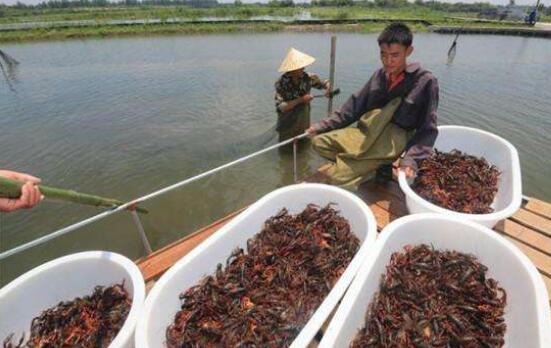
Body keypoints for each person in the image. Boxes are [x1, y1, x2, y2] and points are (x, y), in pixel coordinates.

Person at [307, 23, 439, 190]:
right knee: (318, 142)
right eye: (383, 55)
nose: (388, 61)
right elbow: (353, 107)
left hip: (391, 141)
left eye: (395, 55)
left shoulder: (425, 81)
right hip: (367, 132)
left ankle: (369, 166)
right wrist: (320, 126)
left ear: (409, 51)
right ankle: (367, 165)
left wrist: (410, 160)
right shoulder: (379, 75)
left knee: (335, 177)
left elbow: (428, 128)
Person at [275, 47, 331, 143]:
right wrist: (301, 100)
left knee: (304, 145)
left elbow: (324, 83)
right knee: (286, 149)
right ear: (292, 69)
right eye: (300, 67)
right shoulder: (281, 83)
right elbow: (281, 108)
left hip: (303, 120)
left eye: (303, 66)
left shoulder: (308, 77)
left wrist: (328, 88)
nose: (303, 68)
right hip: (287, 122)